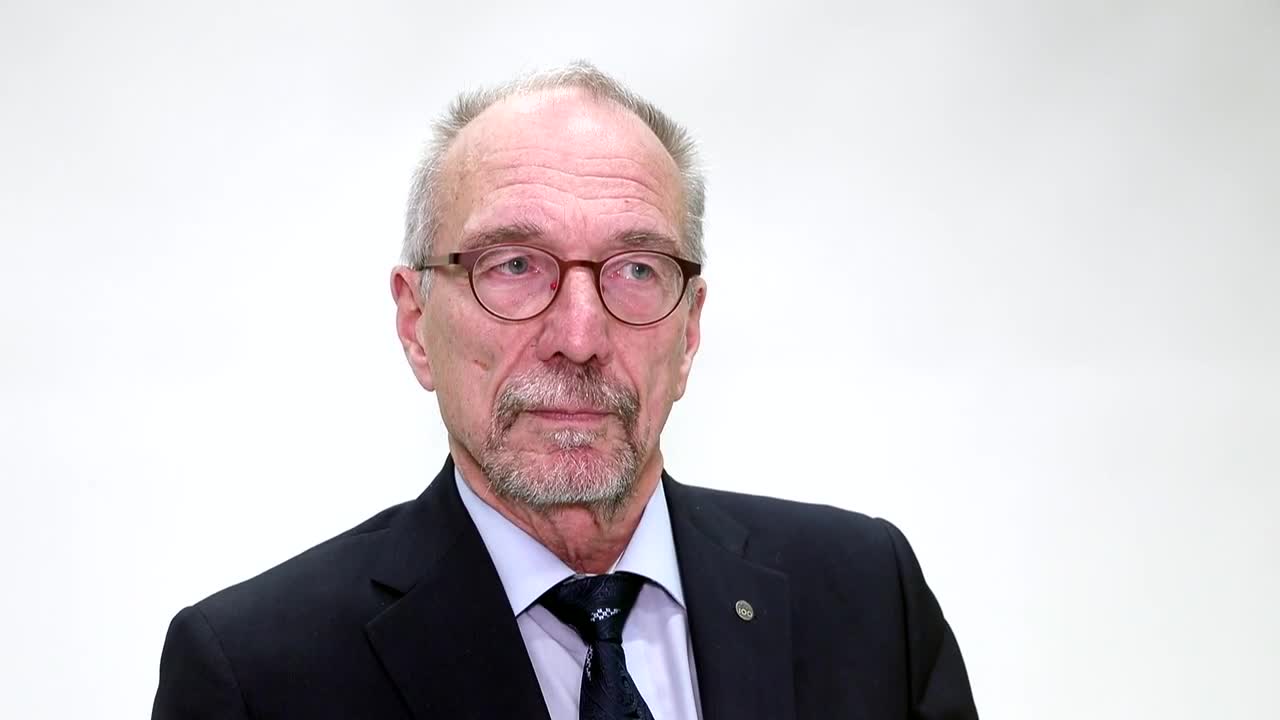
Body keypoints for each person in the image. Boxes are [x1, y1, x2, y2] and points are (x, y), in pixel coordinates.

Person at [152, 61, 979, 720]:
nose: (579, 338)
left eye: (636, 269)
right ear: (415, 324)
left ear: (689, 330)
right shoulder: (256, 675)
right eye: (513, 265)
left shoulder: (869, 598)